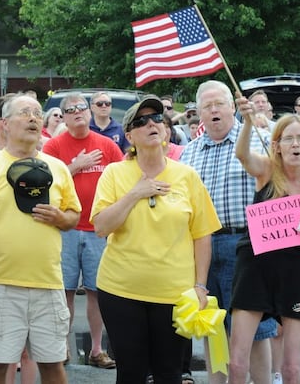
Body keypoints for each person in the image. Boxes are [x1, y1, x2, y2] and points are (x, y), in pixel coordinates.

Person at [91, 95, 220, 384]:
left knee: (169, 374)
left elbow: (202, 235)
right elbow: (101, 226)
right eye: (141, 121)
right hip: (121, 290)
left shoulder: (186, 175)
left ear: (165, 129)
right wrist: (136, 193)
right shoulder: (115, 173)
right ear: (129, 135)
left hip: (174, 294)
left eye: (157, 119)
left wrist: (200, 285)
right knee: (131, 373)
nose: (151, 124)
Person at [0, 94, 81, 384]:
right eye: (25, 112)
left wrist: (59, 218)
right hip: (0, 285)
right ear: (4, 124)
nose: (34, 118)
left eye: (38, 113)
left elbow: (73, 216)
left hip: (49, 285)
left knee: (53, 365)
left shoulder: (58, 168)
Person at [180, 80, 277, 384]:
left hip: (248, 243)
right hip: (202, 246)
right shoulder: (189, 154)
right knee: (212, 323)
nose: (214, 110)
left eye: (219, 104)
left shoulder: (261, 141)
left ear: (233, 106)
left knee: (257, 327)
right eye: (207, 106)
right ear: (199, 112)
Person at [229, 98, 300, 384]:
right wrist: (248, 122)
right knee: (237, 365)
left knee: (292, 370)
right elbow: (242, 155)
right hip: (255, 267)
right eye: (289, 139)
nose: (296, 144)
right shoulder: (266, 170)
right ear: (277, 145)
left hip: (296, 273)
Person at [42, 94, 123, 369]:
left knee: (96, 291)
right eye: (70, 110)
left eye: (81, 108)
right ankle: (62, 346)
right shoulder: (53, 147)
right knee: (63, 291)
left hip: (98, 229)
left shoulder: (108, 146)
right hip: (64, 227)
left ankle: (97, 349)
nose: (77, 112)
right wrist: (76, 166)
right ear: (62, 117)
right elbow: (44, 183)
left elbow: (122, 182)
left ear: (90, 113)